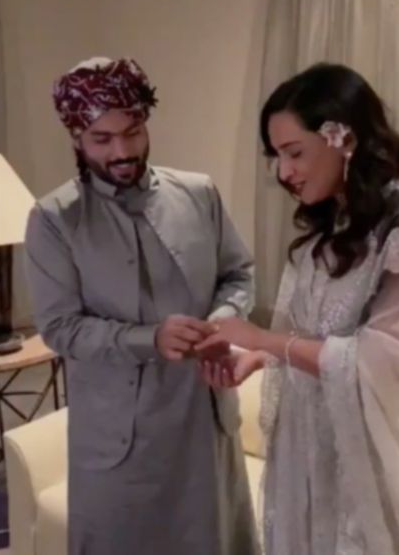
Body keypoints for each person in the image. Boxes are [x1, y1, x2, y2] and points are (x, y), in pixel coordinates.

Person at [23, 57, 259, 555]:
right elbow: (60, 327)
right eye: (102, 139)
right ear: (76, 138)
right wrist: (149, 339)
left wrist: (221, 322)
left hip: (202, 417)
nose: (123, 151)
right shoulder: (54, 219)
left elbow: (238, 274)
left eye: (132, 132)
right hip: (119, 436)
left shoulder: (198, 193)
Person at [196, 63, 399, 555]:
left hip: (364, 456)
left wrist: (260, 337)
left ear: (345, 139)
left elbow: (375, 362)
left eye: (294, 152)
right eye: (277, 156)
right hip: (307, 443)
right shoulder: (335, 220)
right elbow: (316, 330)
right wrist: (258, 358)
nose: (284, 173)